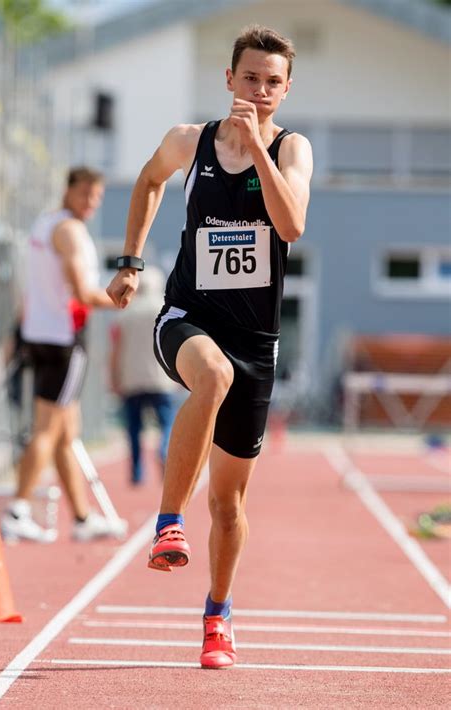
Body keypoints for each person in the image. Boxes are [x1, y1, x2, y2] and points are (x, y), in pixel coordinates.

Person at [107, 25, 313, 668]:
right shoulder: (187, 142)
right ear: (228, 79)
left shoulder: (290, 149)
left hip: (256, 339)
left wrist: (258, 150)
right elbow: (147, 180)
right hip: (186, 317)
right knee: (211, 375)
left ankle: (218, 617)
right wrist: (131, 261)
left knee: (228, 504)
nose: (259, 90)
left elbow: (292, 225)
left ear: (285, 90)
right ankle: (169, 521)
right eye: (249, 77)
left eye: (272, 82)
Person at [1, 166, 120, 543]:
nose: (91, 203)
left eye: (97, 197)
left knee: (67, 433)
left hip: (39, 334)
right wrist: (119, 296)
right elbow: (83, 293)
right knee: (48, 430)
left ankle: (83, 519)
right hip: (63, 339)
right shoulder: (69, 231)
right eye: (86, 194)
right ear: (69, 191)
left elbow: (33, 288)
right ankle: (18, 509)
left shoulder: (43, 224)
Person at [109, 266, 177, 484]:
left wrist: (114, 377)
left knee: (134, 429)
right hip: (161, 378)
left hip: (132, 378)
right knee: (166, 424)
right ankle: (165, 450)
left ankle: (137, 473)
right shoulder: (165, 309)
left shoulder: (126, 313)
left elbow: (116, 348)